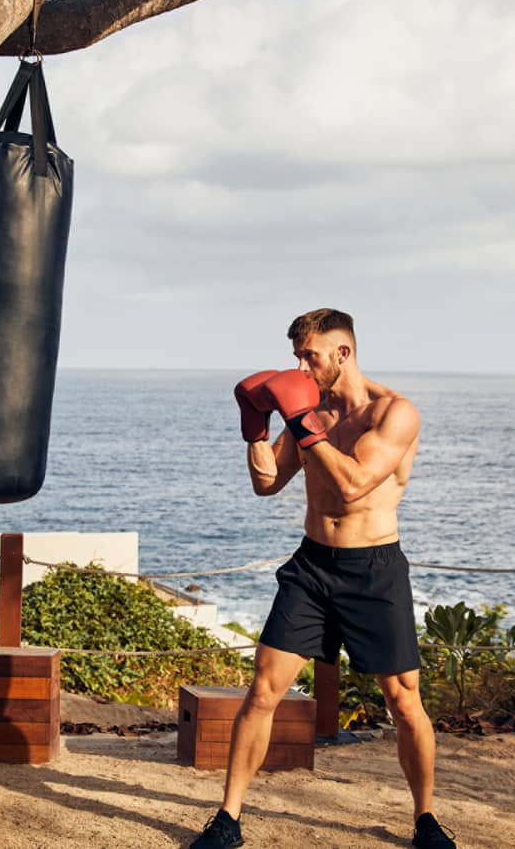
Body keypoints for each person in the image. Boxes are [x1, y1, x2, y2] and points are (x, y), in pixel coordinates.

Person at [190, 309, 455, 849]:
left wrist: (301, 422)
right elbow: (267, 483)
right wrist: (254, 428)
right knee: (262, 690)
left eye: (310, 356)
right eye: (296, 359)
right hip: (312, 566)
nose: (302, 368)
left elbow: (356, 484)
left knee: (404, 701)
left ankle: (426, 820)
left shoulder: (396, 413)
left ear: (343, 353)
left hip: (374, 570)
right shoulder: (309, 409)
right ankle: (228, 819)